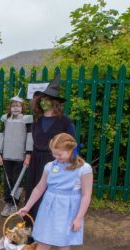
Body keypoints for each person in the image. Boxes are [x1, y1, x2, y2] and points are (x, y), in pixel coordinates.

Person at [18, 133, 92, 250]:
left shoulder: (84, 169)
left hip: (68, 211)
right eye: (54, 153)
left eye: (60, 154)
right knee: (43, 243)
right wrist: (27, 207)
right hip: (49, 208)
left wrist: (79, 218)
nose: (56, 156)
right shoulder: (50, 166)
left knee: (63, 246)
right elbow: (39, 188)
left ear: (71, 150)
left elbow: (86, 195)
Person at [26, 73, 75, 219]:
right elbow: (32, 142)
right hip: (36, 161)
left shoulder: (65, 122)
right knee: (34, 191)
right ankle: (31, 224)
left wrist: (72, 164)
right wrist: (28, 156)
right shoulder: (37, 121)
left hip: (56, 162)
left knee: (50, 193)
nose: (43, 103)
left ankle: (47, 224)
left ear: (55, 103)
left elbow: (73, 144)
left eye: (47, 100)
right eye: (41, 100)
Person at [0, 96, 34, 216]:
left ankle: (15, 202)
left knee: (17, 181)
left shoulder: (27, 120)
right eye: (13, 106)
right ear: (10, 107)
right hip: (6, 156)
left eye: (18, 106)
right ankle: (8, 203)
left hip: (20, 156)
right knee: (7, 180)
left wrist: (28, 154)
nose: (16, 108)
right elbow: (1, 136)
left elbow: (29, 137)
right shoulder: (5, 119)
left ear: (22, 107)